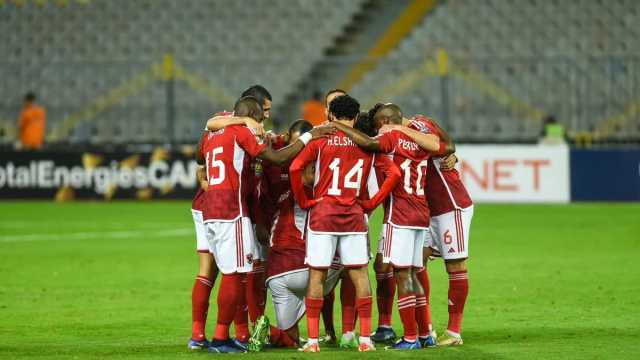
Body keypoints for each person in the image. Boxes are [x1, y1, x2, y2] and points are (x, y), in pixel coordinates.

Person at [198, 96, 332, 353]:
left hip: (210, 210)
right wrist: (309, 136)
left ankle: (227, 334)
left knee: (233, 273)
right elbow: (277, 159)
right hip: (232, 210)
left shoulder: (212, 134)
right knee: (235, 275)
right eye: (260, 117)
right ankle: (221, 337)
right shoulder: (240, 131)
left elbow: (198, 156)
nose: (261, 124)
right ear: (250, 115)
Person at [330, 104, 449, 350]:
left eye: (377, 125)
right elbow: (441, 146)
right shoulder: (420, 142)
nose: (376, 130)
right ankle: (425, 332)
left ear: (385, 121)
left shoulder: (390, 136)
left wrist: (338, 125)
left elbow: (371, 145)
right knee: (414, 273)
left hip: (400, 216)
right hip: (420, 213)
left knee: (402, 275)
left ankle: (409, 337)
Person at [289, 95, 401, 353]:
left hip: (322, 215)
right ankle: (364, 339)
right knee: (360, 275)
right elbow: (394, 173)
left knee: (317, 276)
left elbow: (295, 168)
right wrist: (371, 203)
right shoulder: (366, 144)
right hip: (353, 216)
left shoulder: (320, 140)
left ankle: (314, 341)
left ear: (331, 116)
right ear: (355, 116)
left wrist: (305, 201)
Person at [247, 120, 343, 352]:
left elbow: (260, 193)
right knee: (349, 261)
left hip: (278, 274)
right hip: (313, 270)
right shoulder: (322, 186)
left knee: (287, 339)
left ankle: (265, 331)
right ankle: (340, 333)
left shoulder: (282, 182)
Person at [381, 114, 473, 346]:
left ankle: (454, 332)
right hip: (425, 210)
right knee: (414, 265)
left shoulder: (416, 124)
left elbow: (443, 143)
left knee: (455, 265)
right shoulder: (396, 139)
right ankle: (426, 329)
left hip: (450, 204)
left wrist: (400, 130)